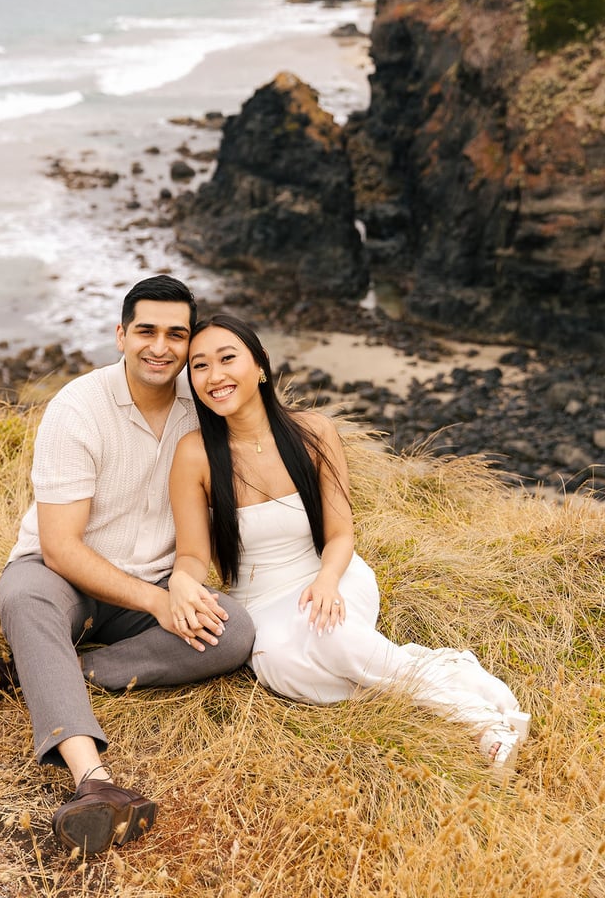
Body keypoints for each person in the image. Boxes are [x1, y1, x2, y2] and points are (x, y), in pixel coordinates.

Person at [0, 279, 255, 857]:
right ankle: (92, 783)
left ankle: (33, 673)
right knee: (24, 598)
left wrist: (178, 588)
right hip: (61, 579)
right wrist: (157, 602)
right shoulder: (78, 407)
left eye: (177, 334)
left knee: (235, 632)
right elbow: (60, 548)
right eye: (146, 331)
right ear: (121, 335)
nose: (161, 347)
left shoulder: (205, 409)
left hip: (152, 586)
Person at [168, 313, 531, 768]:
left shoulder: (313, 432)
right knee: (282, 669)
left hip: (329, 572)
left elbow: (340, 534)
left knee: (332, 637)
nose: (214, 376)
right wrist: (182, 580)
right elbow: (193, 554)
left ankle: (478, 720)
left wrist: (326, 581)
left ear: (259, 364)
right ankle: (445, 669)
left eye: (227, 359)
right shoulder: (194, 453)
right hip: (258, 600)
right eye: (199, 366)